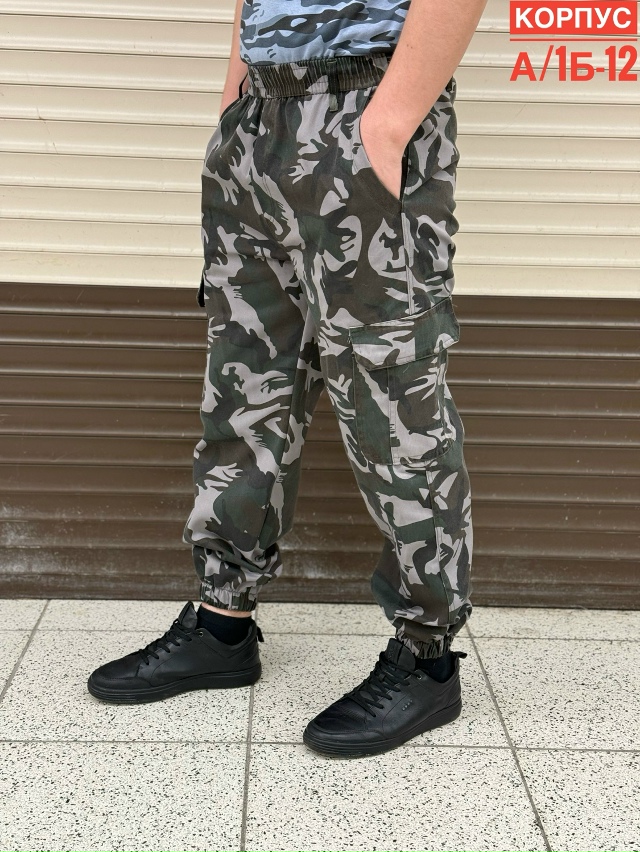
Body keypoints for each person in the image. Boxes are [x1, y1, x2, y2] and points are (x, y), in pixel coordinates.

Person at [88, 0, 487, 758]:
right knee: (246, 385)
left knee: (390, 397)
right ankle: (222, 624)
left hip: (362, 105)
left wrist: (385, 124)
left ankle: (427, 659)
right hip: (258, 121)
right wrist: (236, 108)